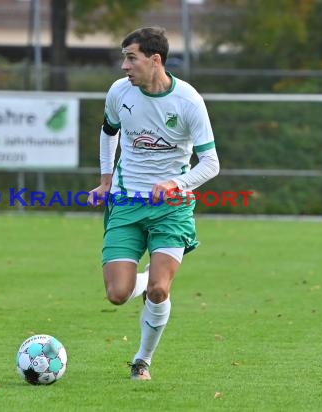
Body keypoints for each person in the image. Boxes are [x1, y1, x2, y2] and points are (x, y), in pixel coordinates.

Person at [87, 27, 220, 381]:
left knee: (161, 289)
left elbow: (211, 163)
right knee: (117, 294)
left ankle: (142, 361)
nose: (123, 66)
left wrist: (176, 183)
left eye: (131, 58)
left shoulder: (188, 102)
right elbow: (108, 132)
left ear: (154, 60)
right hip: (127, 203)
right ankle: (142, 281)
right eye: (124, 58)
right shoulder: (119, 93)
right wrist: (105, 180)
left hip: (171, 209)